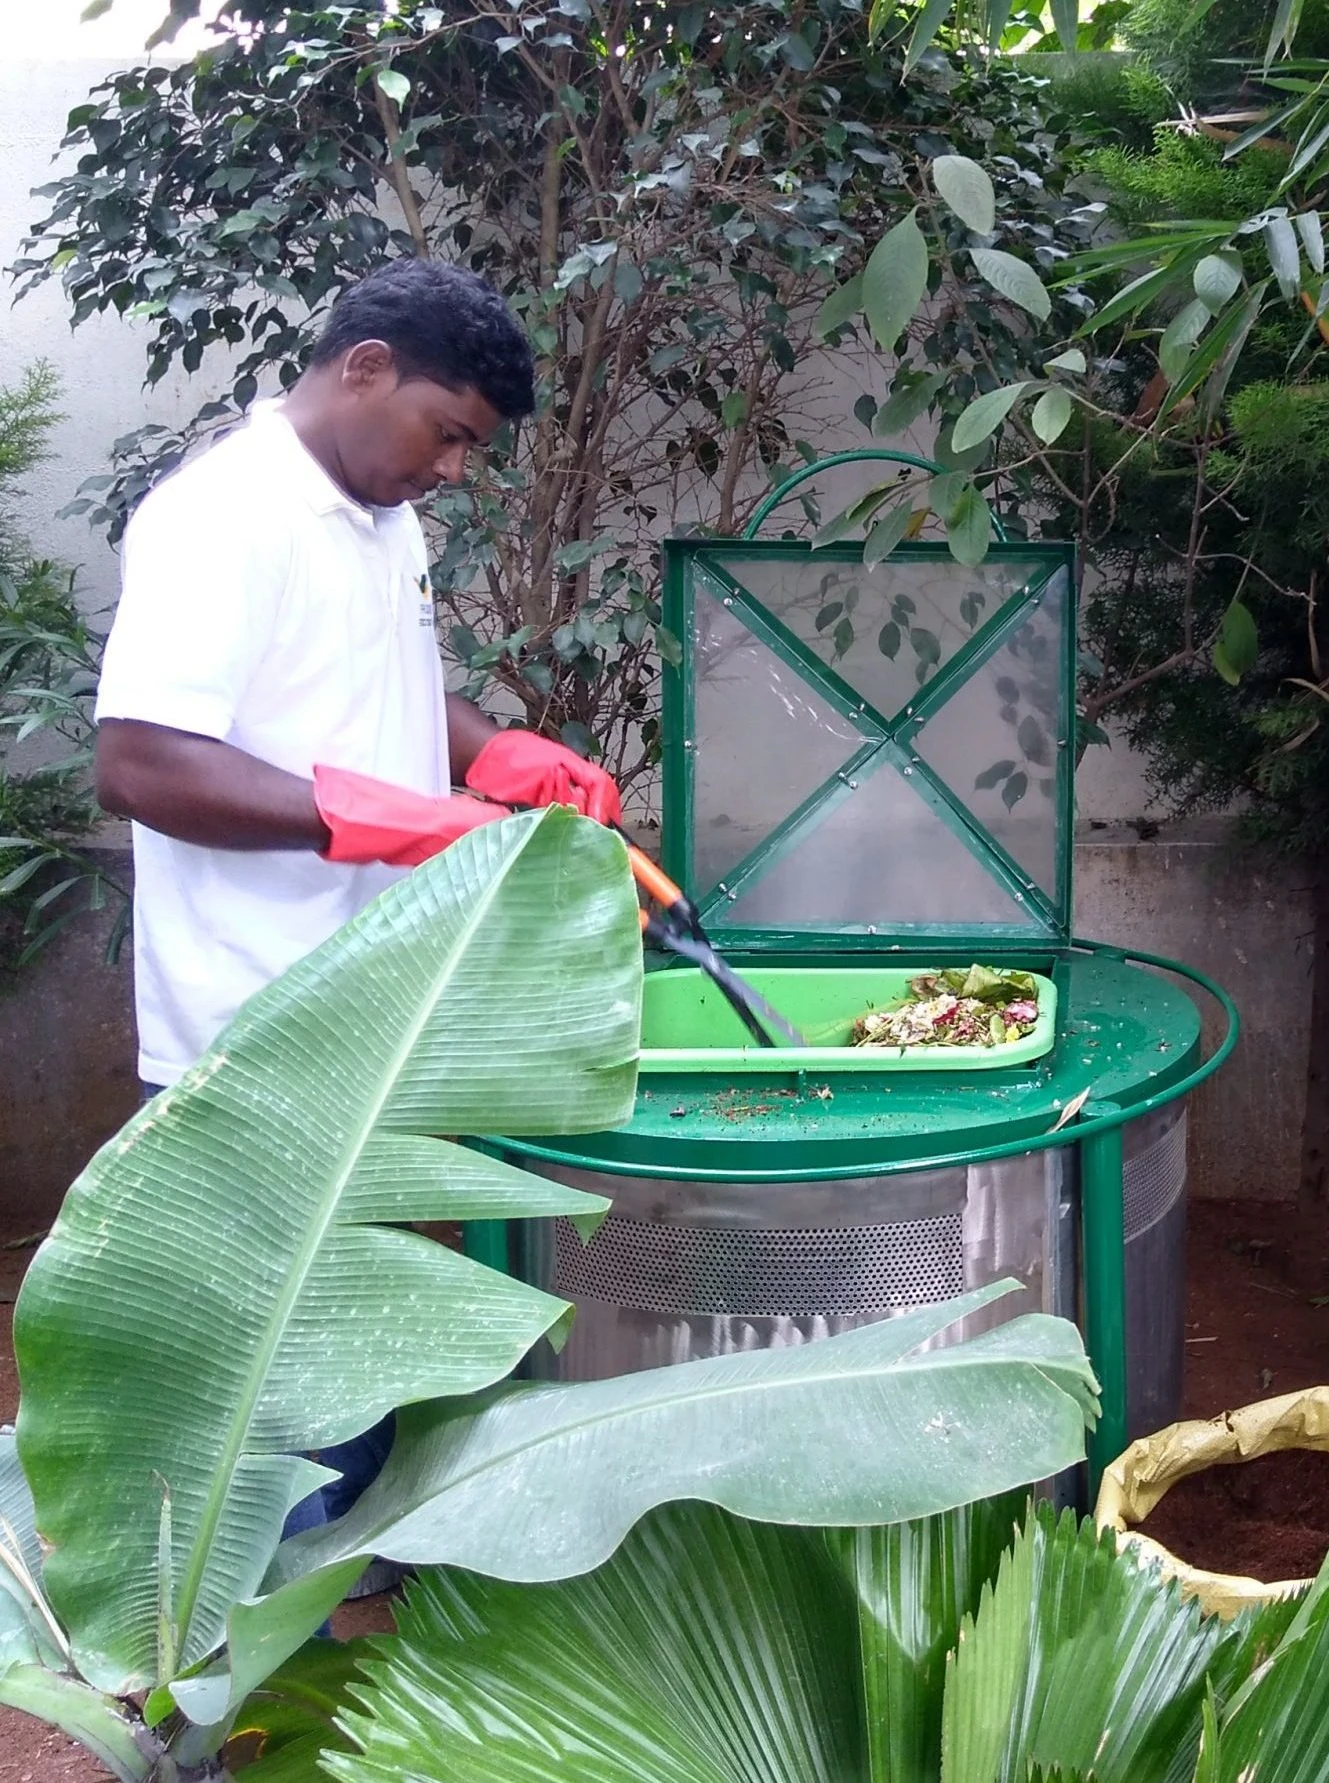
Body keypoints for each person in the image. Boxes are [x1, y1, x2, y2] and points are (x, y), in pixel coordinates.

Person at [93, 257, 623, 1566]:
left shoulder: (381, 514)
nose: (453, 468)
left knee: (349, 1329)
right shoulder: (221, 518)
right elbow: (142, 761)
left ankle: (345, 1600)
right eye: (450, 434)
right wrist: (364, 816)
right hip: (257, 1024)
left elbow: (370, 685)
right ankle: (229, 1699)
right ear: (365, 367)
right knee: (257, 1371)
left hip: (377, 1004)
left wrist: (492, 750)